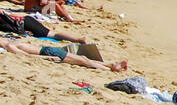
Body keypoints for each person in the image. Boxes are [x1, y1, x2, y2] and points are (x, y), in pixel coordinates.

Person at [0, 37, 128, 72]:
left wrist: (47, 57)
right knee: (83, 60)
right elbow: (26, 55)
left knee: (83, 60)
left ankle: (110, 66)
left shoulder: (9, 45)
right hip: (47, 50)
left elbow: (25, 56)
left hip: (48, 51)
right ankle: (110, 66)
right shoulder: (10, 44)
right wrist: (47, 57)